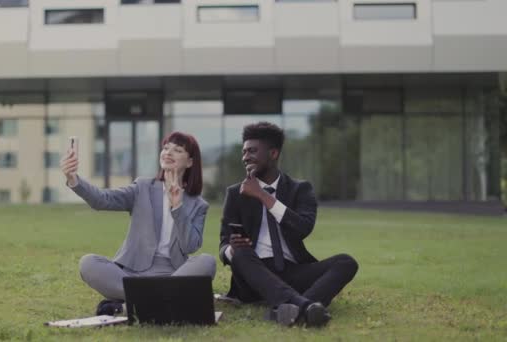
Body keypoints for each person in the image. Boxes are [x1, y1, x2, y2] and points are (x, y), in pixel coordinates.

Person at [218, 122, 358, 327]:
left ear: (273, 153)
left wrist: (262, 195)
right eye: (244, 151)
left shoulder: (300, 189)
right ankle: (305, 307)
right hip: (252, 274)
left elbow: (303, 228)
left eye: (252, 151)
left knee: (346, 262)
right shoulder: (235, 193)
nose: (245, 157)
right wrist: (232, 249)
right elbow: (222, 248)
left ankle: (286, 309)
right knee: (241, 253)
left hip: (292, 271)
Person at [61, 131, 216, 316]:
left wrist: (177, 207)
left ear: (190, 161)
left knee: (208, 261)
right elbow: (102, 200)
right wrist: (73, 179)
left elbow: (190, 246)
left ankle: (130, 306)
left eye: (177, 150)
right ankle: (167, 301)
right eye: (166, 148)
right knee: (88, 263)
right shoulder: (142, 188)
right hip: (131, 274)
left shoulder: (198, 205)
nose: (168, 152)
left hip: (173, 275)